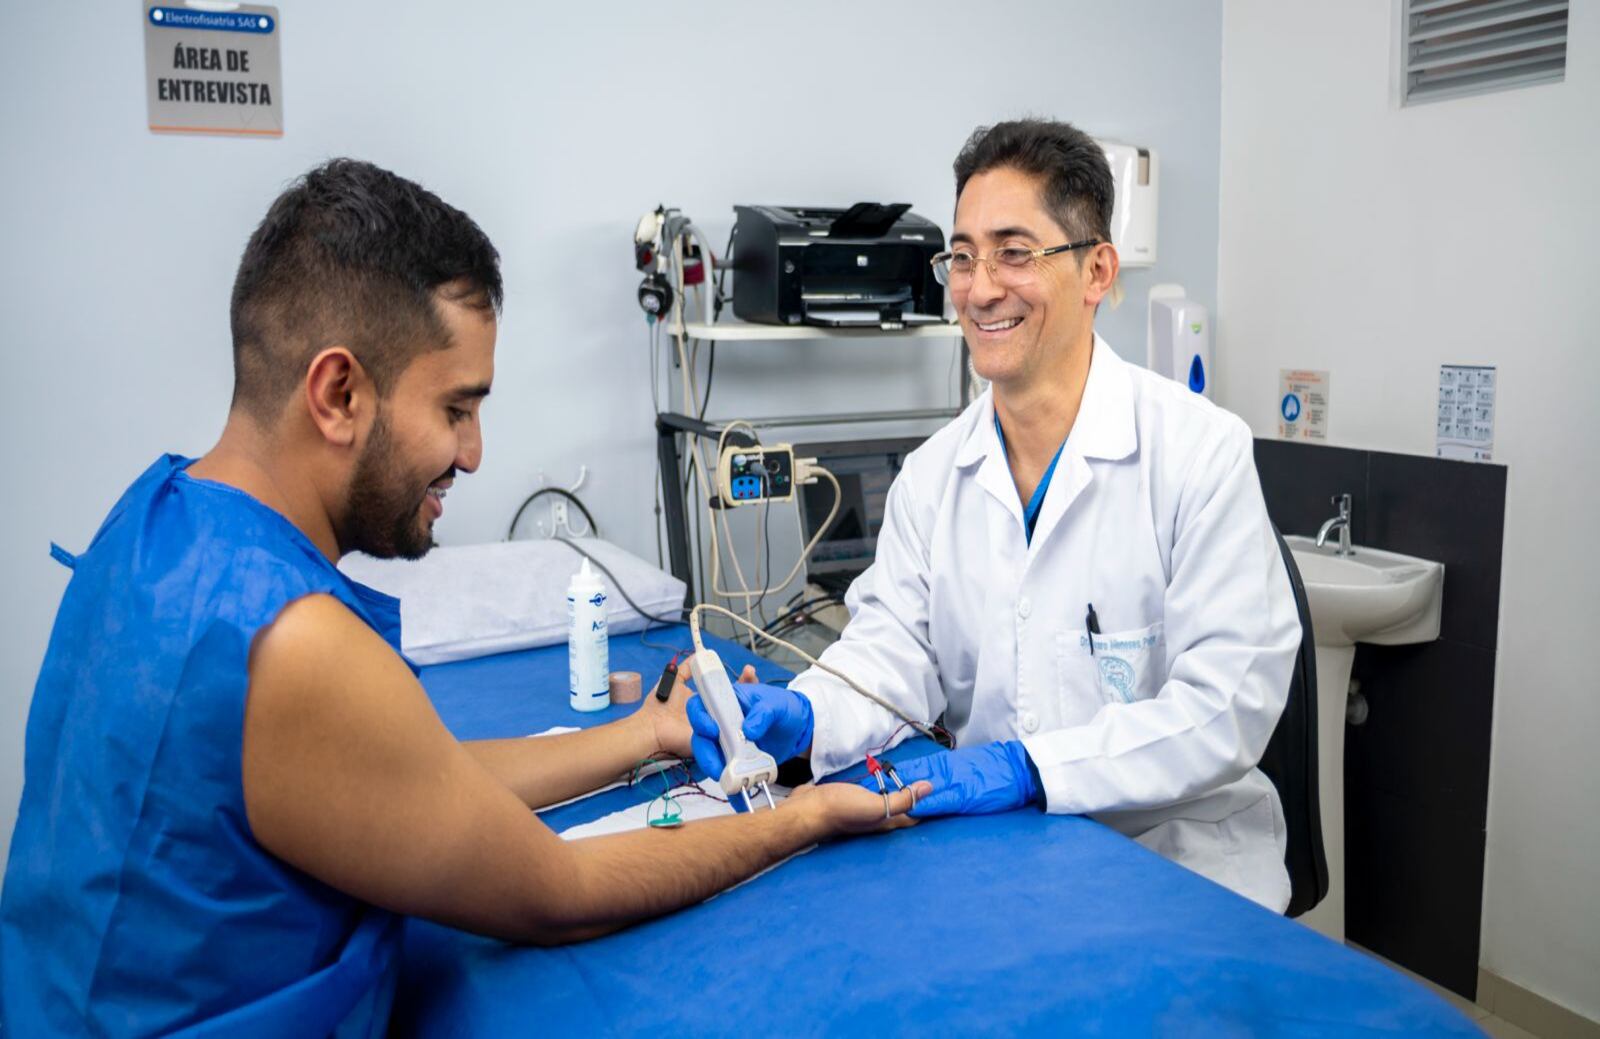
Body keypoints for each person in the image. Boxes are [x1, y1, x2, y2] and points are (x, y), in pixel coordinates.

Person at [0, 159, 927, 1037]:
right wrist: (802, 817)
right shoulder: (294, 643)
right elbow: (554, 895)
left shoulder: (157, 522)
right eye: (455, 408)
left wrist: (648, 734)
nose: (475, 452)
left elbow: (409, 780)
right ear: (337, 393)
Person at [690, 119, 1301, 911]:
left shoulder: (1198, 455)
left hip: (1178, 866)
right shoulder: (935, 475)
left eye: (1015, 253)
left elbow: (1225, 707)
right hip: (1004, 858)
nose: (979, 288)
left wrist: (1026, 765)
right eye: (964, 255)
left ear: (1097, 272)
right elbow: (889, 655)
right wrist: (808, 712)